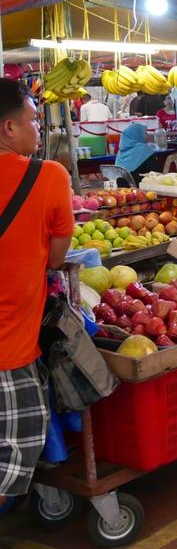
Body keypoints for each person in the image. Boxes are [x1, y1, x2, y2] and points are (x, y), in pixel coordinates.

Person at [0, 79, 72, 512]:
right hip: (8, 348)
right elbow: (57, 255)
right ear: (9, 127)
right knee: (16, 453)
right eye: (33, 120)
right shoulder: (48, 176)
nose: (39, 128)